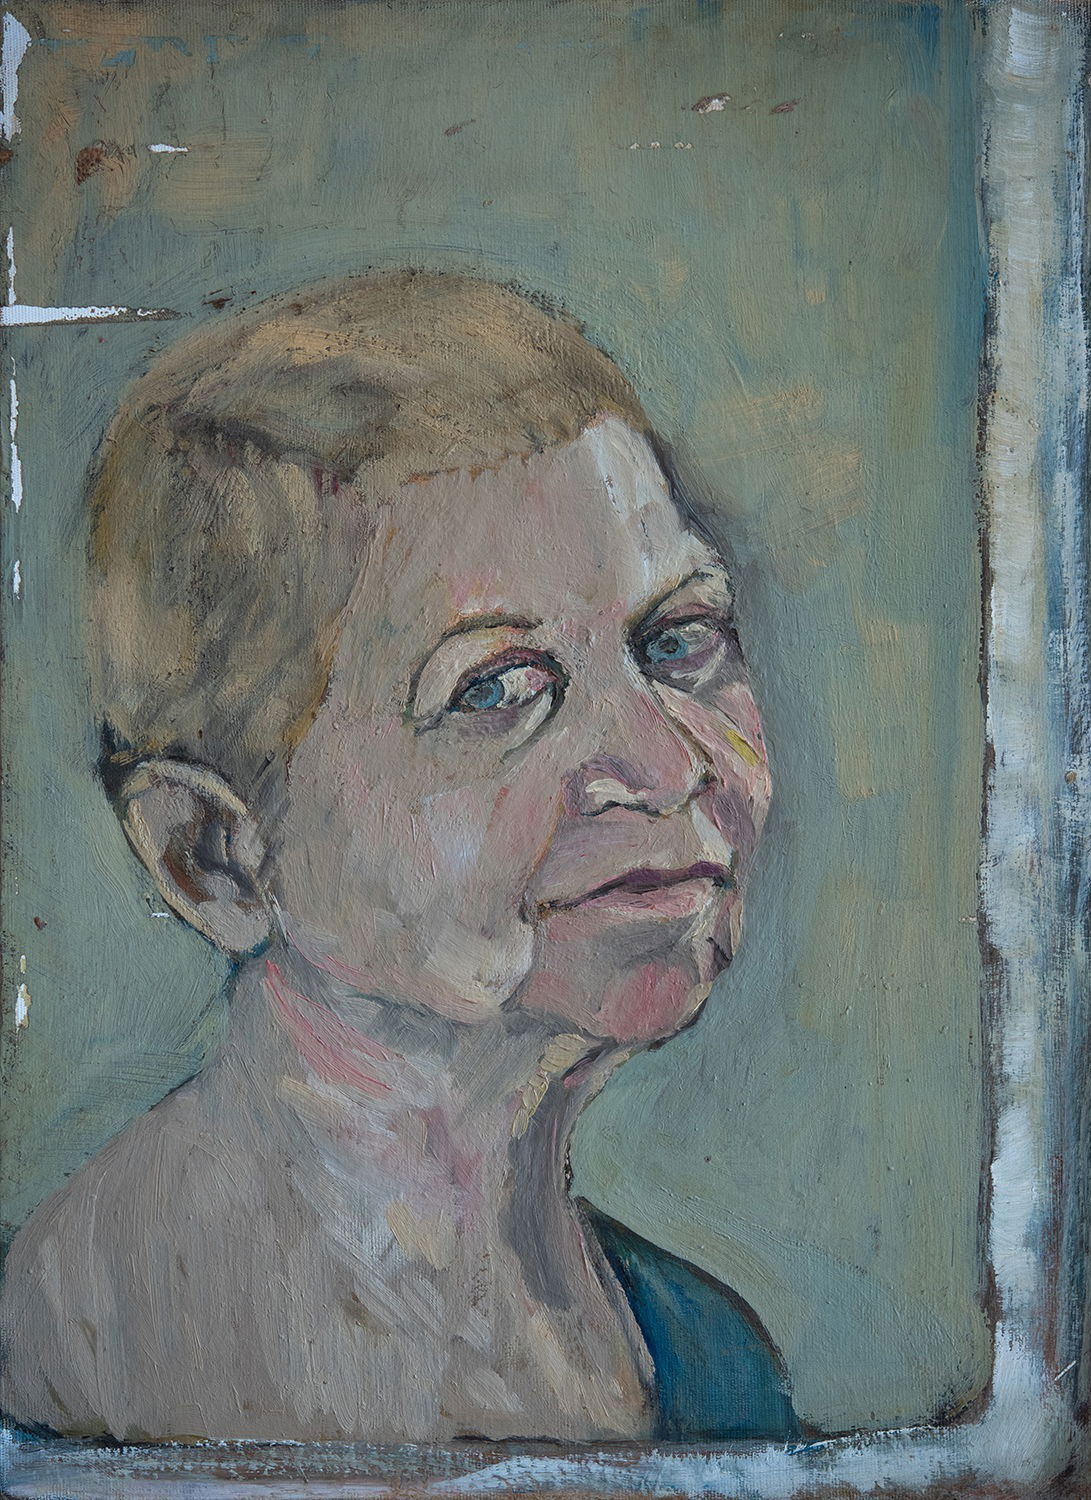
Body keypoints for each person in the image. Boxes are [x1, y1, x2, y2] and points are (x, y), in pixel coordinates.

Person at [0, 271, 800, 1445]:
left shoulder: (710, 1360)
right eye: (496, 690)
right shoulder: (70, 1385)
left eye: (676, 639)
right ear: (212, 859)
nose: (666, 762)